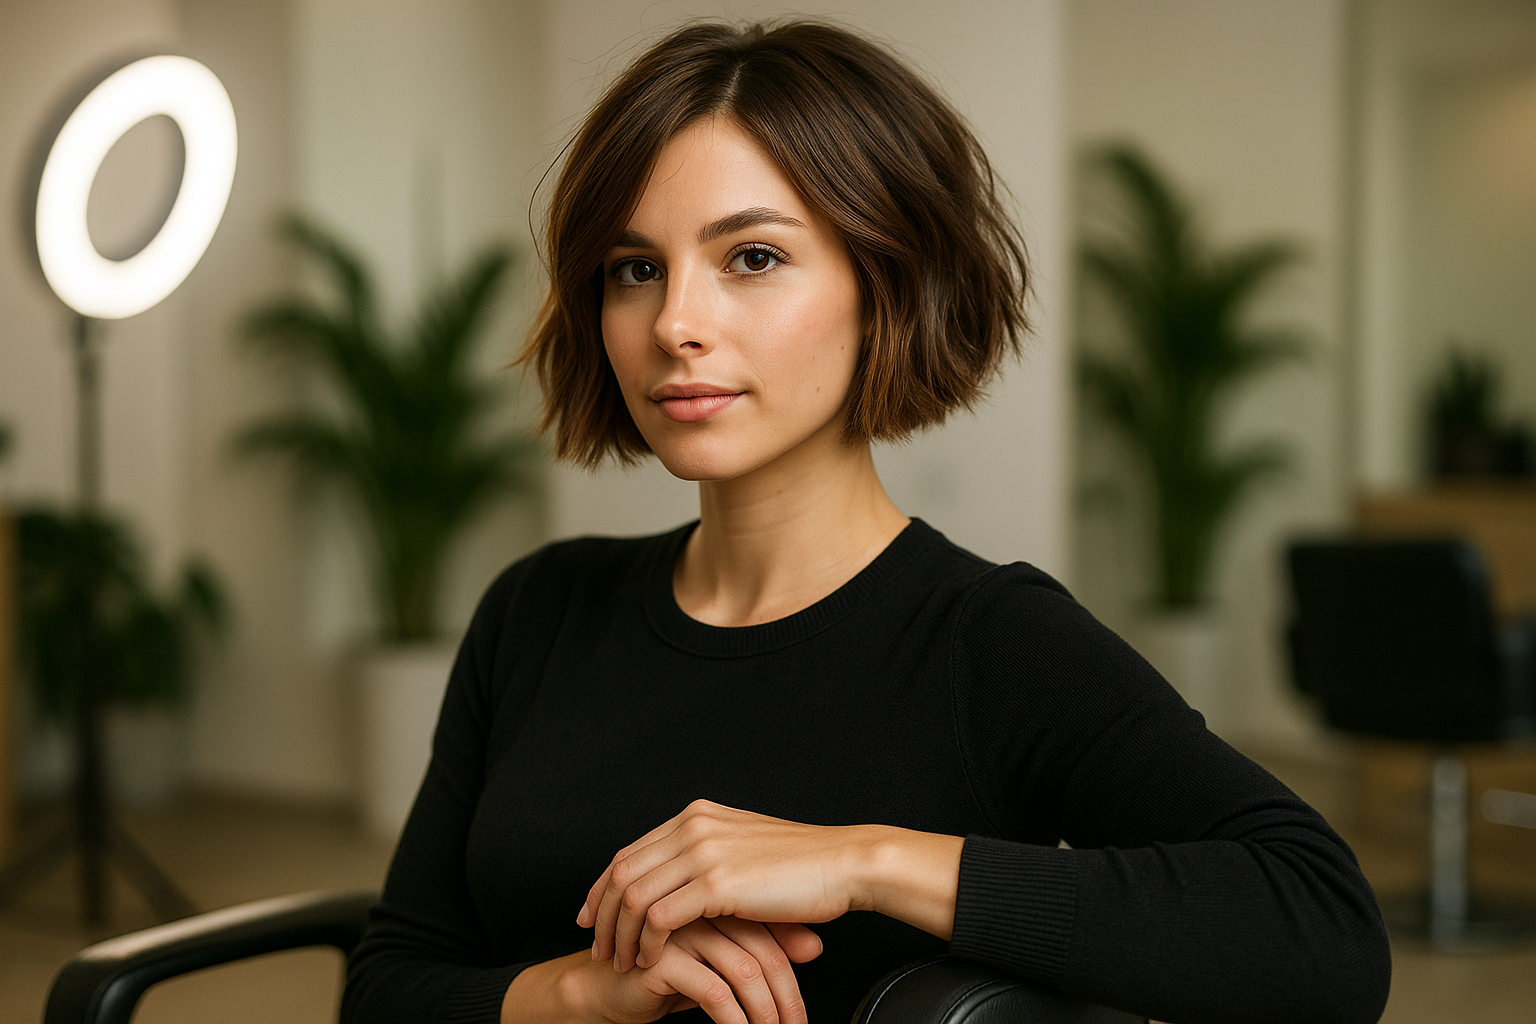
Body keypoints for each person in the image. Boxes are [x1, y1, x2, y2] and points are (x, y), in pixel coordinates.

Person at [341, 20, 1391, 1024]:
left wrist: (866, 861)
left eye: (751, 256)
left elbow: (1323, 933)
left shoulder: (989, 639)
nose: (674, 324)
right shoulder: (538, 610)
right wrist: (582, 990)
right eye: (635, 269)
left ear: (886, 283)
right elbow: (385, 989)